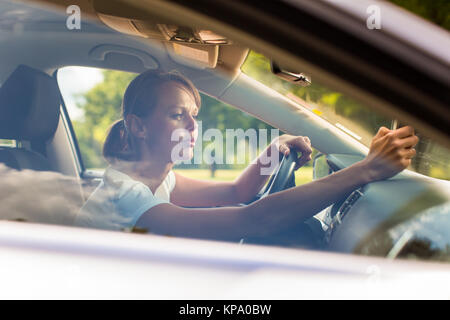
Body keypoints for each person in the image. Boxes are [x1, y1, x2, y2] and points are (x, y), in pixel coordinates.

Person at [75, 70, 419, 242]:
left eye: (194, 114)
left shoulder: (157, 179)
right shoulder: (126, 197)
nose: (194, 125)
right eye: (177, 114)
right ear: (139, 127)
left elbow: (234, 194)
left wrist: (272, 154)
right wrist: (366, 170)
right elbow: (252, 220)